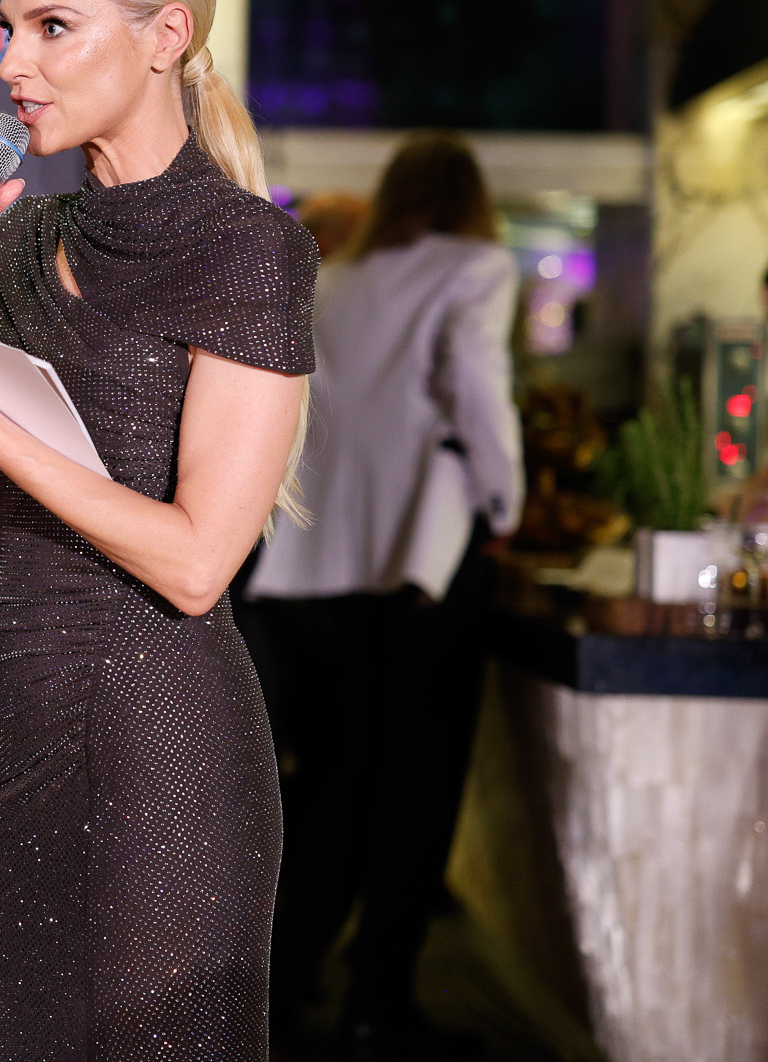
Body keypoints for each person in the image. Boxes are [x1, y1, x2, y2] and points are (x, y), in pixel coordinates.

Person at [0, 0, 318, 1060]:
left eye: (51, 27)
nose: (12, 64)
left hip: (166, 742)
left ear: (165, 34)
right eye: (6, 29)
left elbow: (197, 563)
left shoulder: (247, 248)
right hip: (14, 730)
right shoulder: (20, 239)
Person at [246, 132, 523, 1060]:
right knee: (417, 785)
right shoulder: (477, 266)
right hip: (424, 562)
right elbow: (479, 387)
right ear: (472, 196)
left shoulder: (338, 278)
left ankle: (281, 989)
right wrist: (506, 502)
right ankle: (379, 1001)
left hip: (321, 563)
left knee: (334, 780)